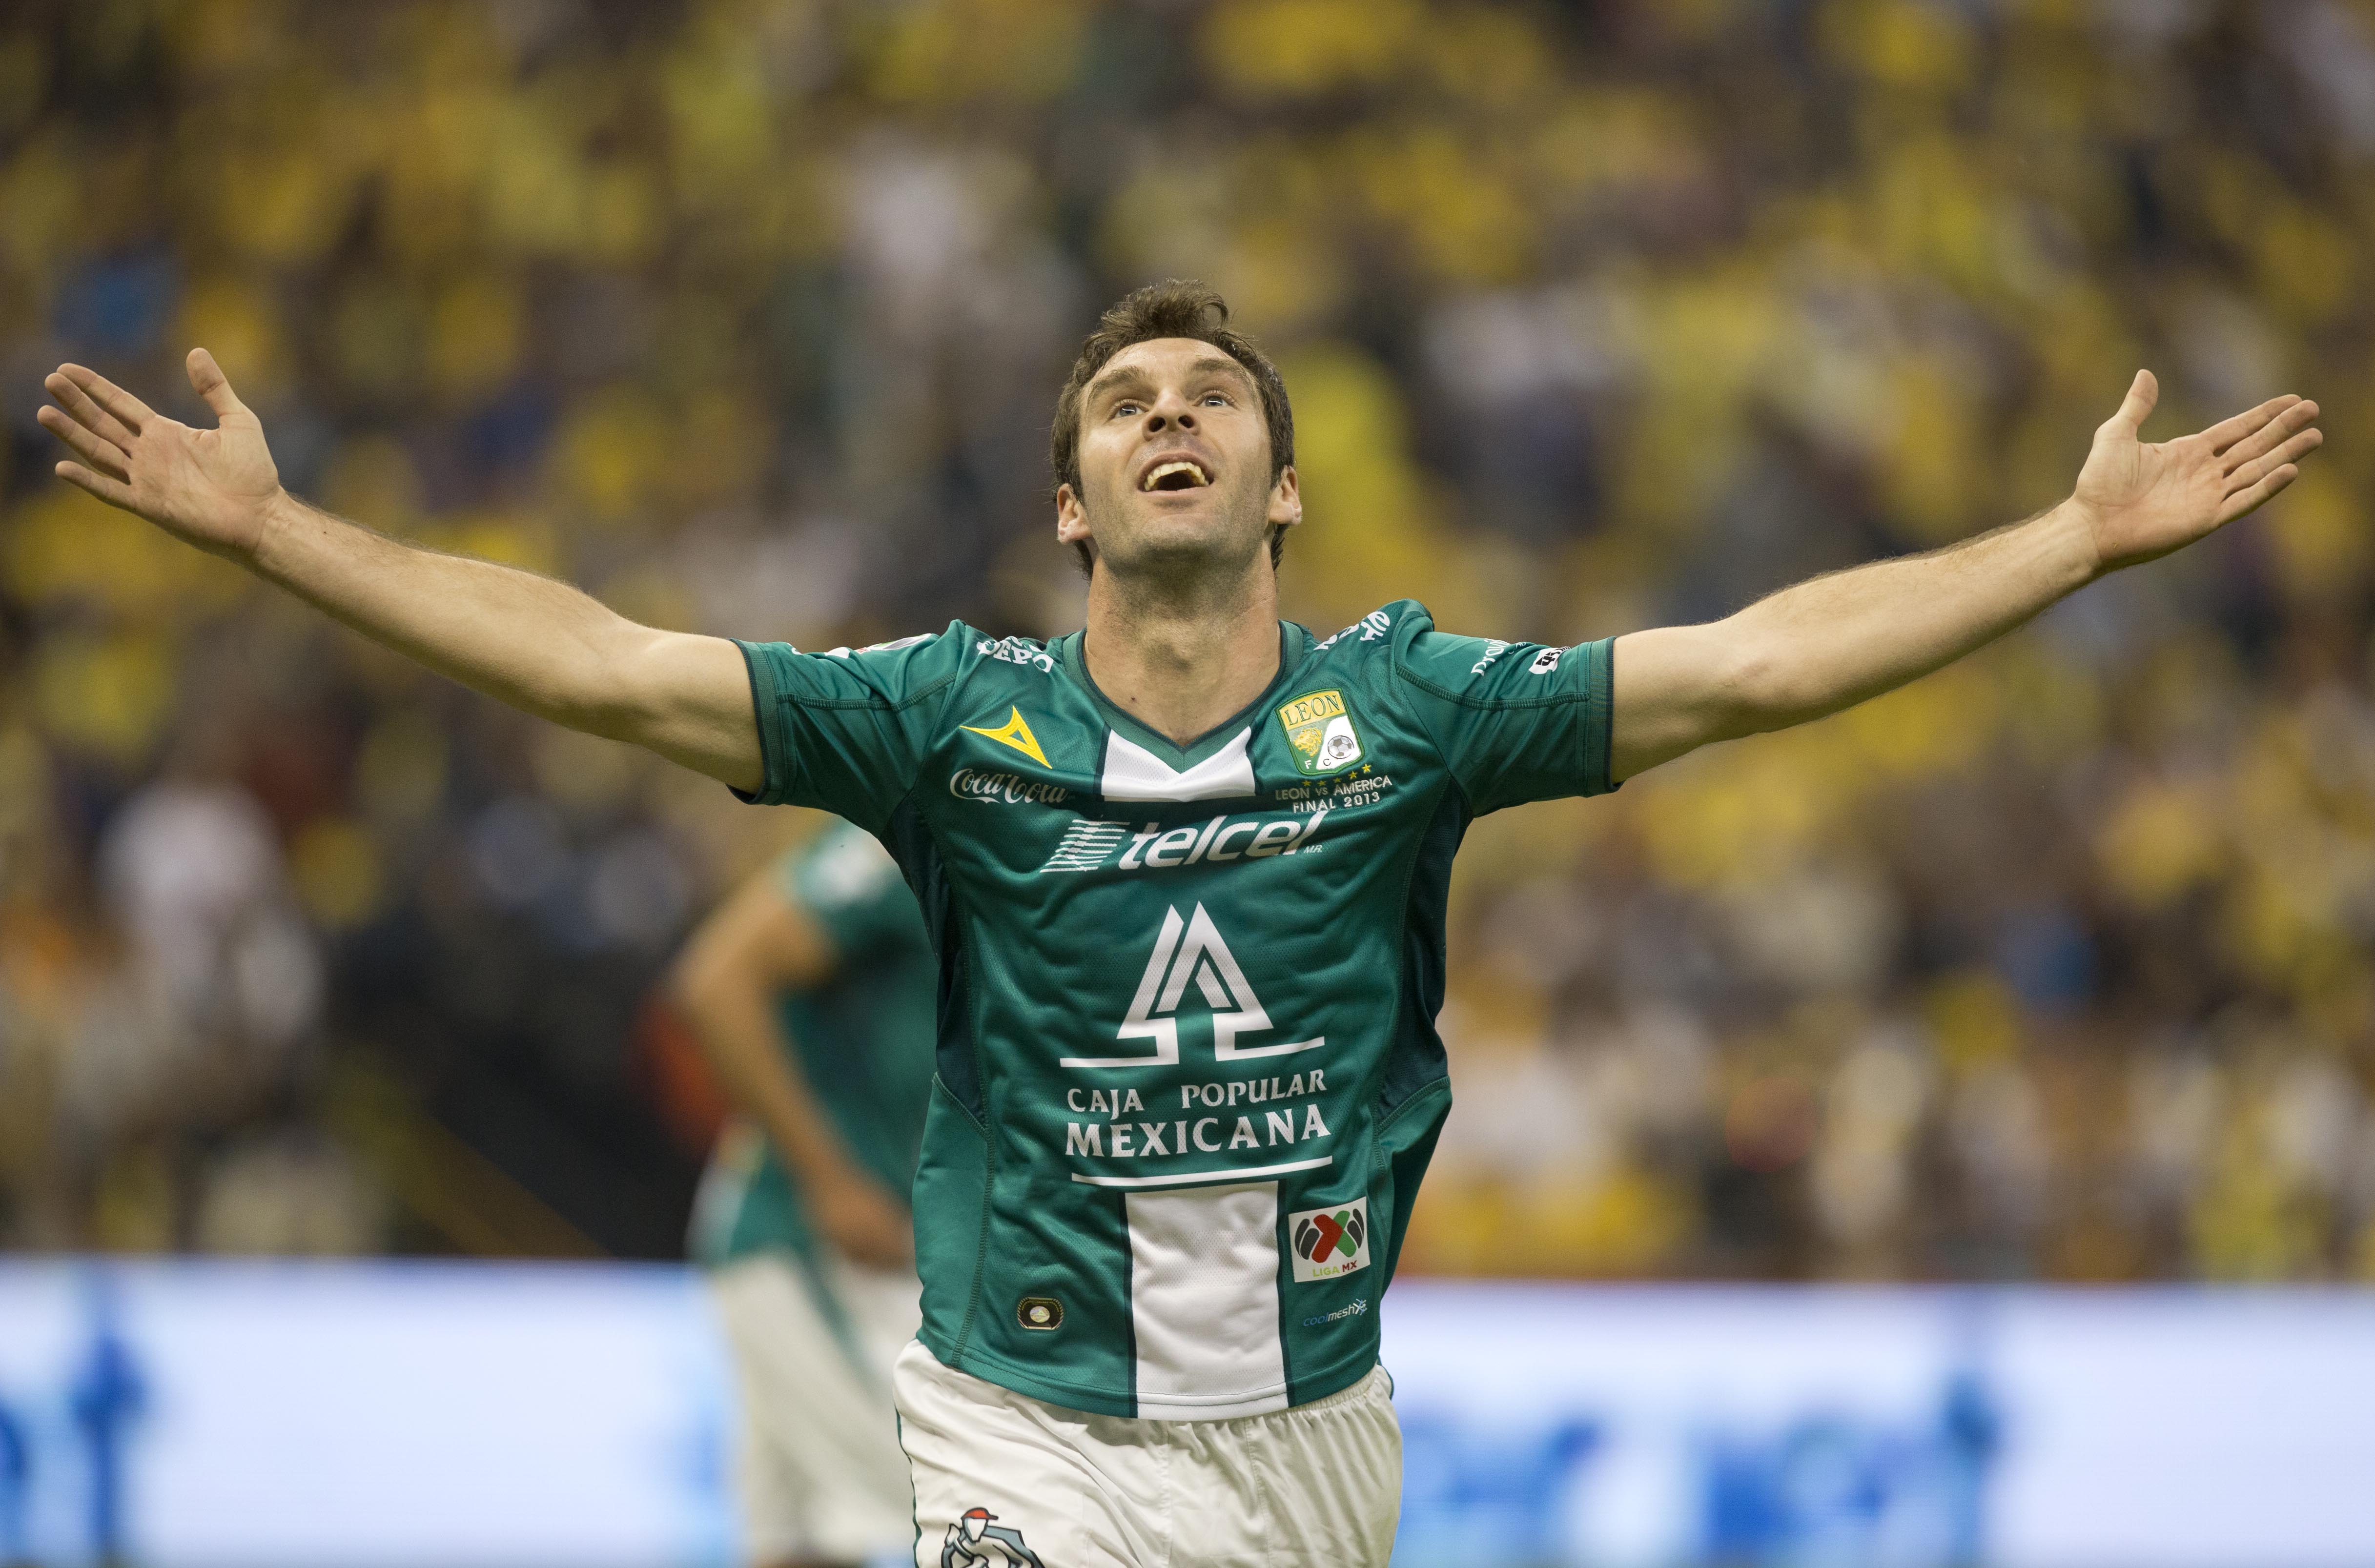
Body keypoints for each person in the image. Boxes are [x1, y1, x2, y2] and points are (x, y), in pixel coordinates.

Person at [37, 279, 2321, 1565]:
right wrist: (286, 538)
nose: (1168, 418)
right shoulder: (951, 722)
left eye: (1210, 396)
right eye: (1123, 403)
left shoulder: (1407, 713)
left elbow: (1750, 665)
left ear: (1278, 479)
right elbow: (612, 665)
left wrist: (2062, 544)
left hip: (1308, 1435)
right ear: (1068, 500)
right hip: (1021, 1417)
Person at [673, 819, 939, 1568]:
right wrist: (830, 1179)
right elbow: (716, 982)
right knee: (982, 1507)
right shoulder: (899, 840)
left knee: (802, 1544)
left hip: (809, 1247)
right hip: (813, 1246)